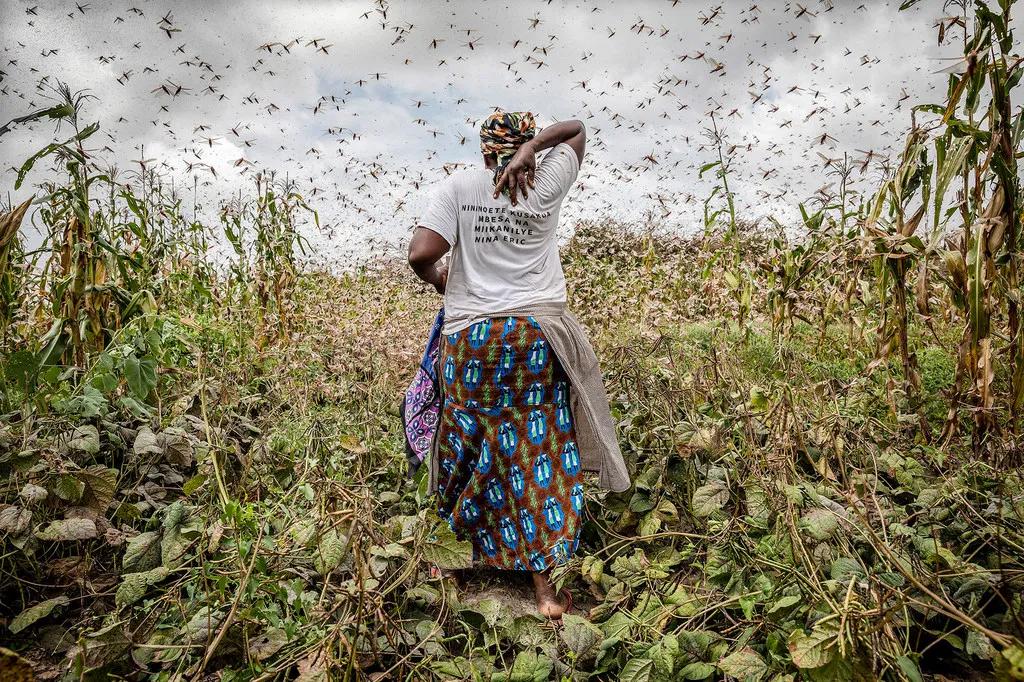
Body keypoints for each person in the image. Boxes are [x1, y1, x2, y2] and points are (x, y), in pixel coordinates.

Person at [407, 110, 630, 619]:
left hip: (473, 343)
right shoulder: (544, 180)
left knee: (463, 442)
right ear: (525, 147)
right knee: (537, 449)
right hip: (534, 338)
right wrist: (536, 149)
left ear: (486, 151)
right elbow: (576, 129)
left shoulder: (458, 187)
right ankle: (545, 592)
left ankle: (451, 563)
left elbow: (422, 253)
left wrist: (445, 282)